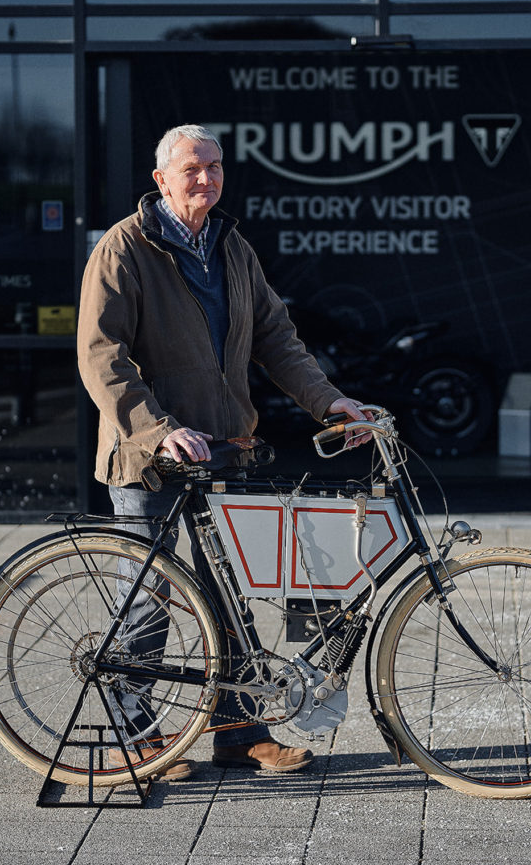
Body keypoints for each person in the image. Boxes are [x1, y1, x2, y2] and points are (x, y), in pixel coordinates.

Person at [77, 123, 371, 780]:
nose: (205, 178)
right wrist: (156, 428)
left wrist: (328, 402)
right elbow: (102, 357)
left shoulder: (230, 246)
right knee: (149, 598)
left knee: (226, 601)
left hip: (221, 451)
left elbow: (276, 335)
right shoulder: (124, 249)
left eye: (214, 167)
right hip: (148, 456)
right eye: (191, 168)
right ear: (160, 178)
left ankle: (239, 734)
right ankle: (134, 736)